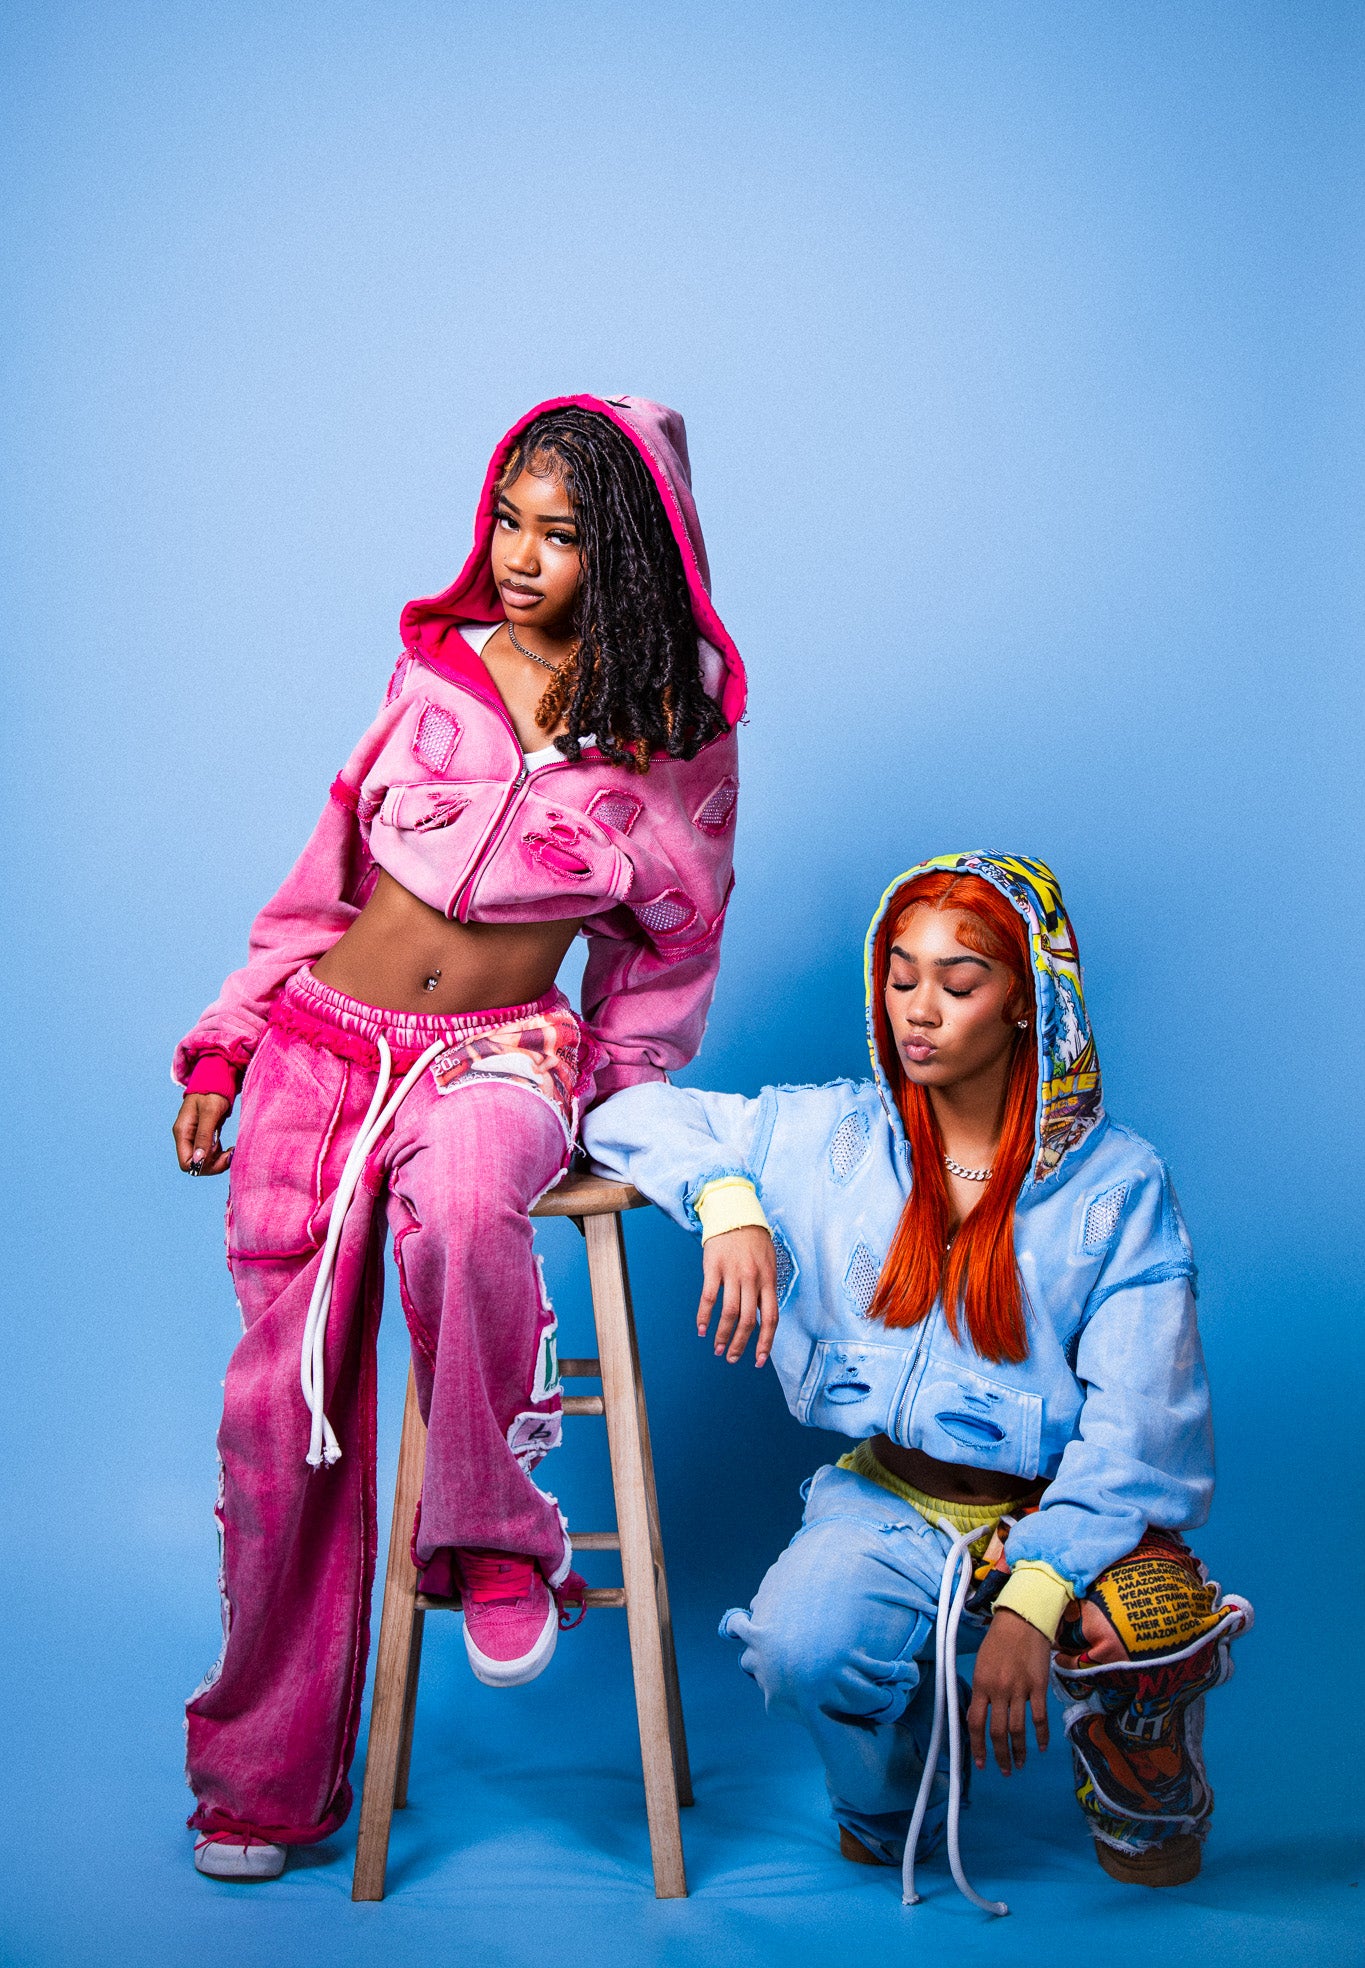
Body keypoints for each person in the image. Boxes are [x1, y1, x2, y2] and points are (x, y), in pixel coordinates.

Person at [172, 395, 745, 1879]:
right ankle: (262, 1784)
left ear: (634, 551)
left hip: (500, 1053)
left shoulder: (674, 729)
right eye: (507, 520)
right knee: (280, 1419)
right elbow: (322, 881)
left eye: (562, 535)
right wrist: (230, 1039)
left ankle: (494, 1537)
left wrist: (619, 1096)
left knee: (482, 1196)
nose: (519, 556)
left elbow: (673, 945)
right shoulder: (436, 674)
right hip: (322, 1049)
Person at [583, 852, 1251, 1895]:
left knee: (1145, 1626)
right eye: (900, 978)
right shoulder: (835, 1136)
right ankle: (903, 1779)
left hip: (1061, 1514)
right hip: (894, 1504)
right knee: (799, 1649)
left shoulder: (1117, 1185)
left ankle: (1140, 1772)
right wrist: (727, 1200)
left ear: (1027, 1000)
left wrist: (1034, 1593)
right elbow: (620, 1111)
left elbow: (1142, 1430)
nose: (918, 1011)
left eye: (958, 981)